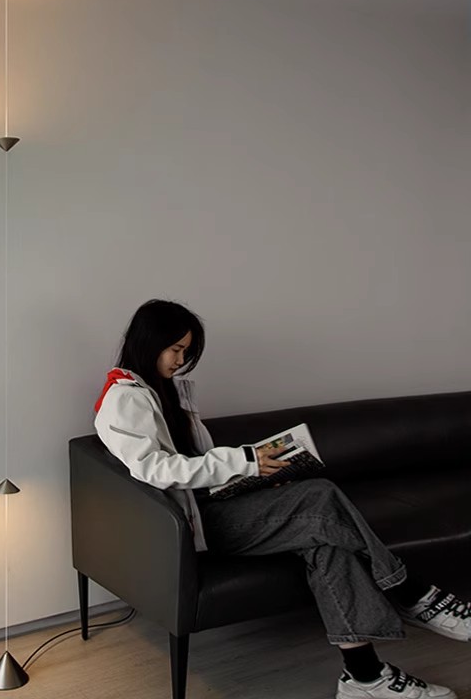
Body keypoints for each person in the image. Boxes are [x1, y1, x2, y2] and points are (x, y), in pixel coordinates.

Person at [93, 298, 470, 699]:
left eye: (186, 351)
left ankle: (365, 678)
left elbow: (198, 462)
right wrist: (245, 460)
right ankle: (412, 593)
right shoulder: (125, 398)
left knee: (327, 545)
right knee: (320, 494)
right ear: (149, 341)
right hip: (195, 524)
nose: (181, 361)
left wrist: (252, 478)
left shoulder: (165, 391)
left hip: (214, 505)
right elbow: (154, 469)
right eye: (176, 349)